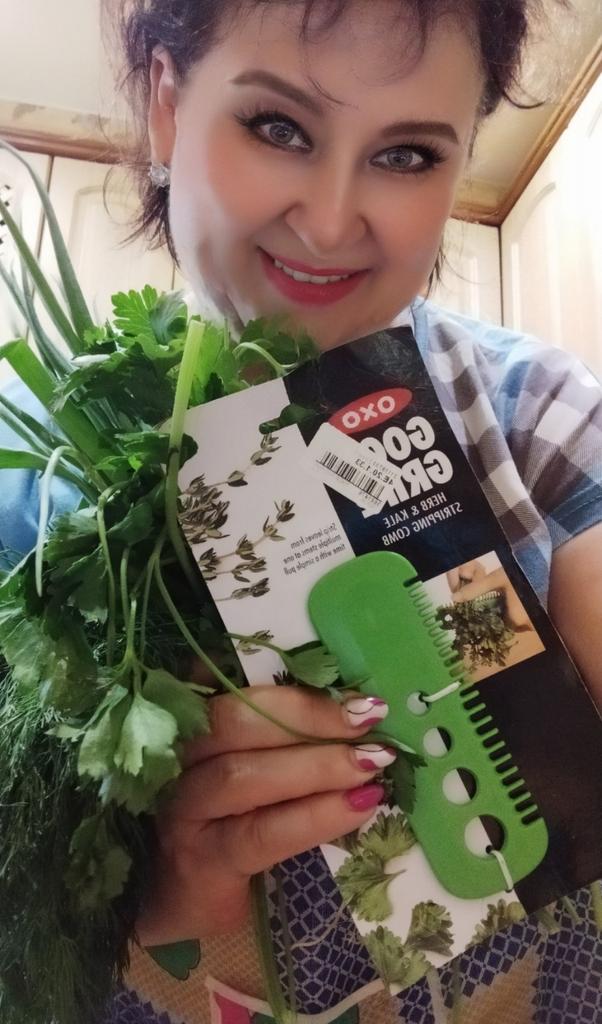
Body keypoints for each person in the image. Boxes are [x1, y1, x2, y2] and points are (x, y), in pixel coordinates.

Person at [2, 1, 602, 1021]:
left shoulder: (532, 414)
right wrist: (131, 909)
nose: (329, 222)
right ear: (166, 106)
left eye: (407, 155)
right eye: (277, 127)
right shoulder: (33, 482)